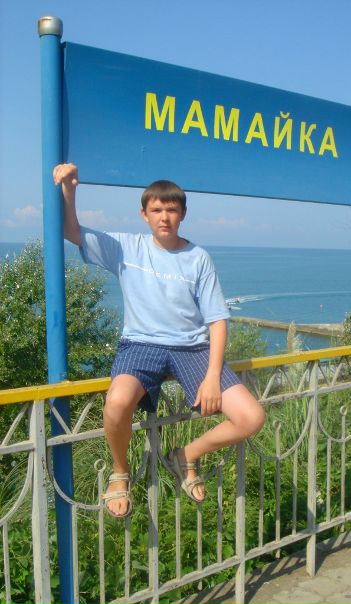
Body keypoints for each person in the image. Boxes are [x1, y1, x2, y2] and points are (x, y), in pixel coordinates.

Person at [53, 163, 265, 517]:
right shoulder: (126, 247)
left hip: (192, 349)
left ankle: (186, 455)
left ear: (183, 214)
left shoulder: (198, 258)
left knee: (251, 417)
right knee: (117, 402)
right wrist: (69, 190)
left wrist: (213, 377)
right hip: (140, 344)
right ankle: (120, 472)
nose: (164, 217)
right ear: (144, 214)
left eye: (171, 209)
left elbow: (217, 320)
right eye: (156, 210)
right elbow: (70, 231)